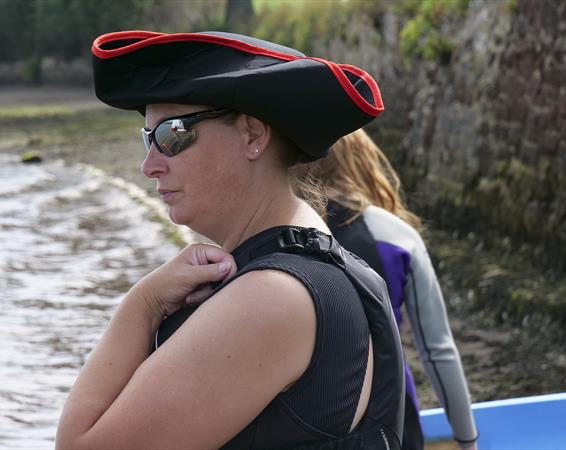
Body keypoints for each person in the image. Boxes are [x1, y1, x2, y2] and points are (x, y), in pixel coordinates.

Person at [55, 31, 405, 449]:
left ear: (253, 136)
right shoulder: (324, 270)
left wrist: (142, 304)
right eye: (148, 139)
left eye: (171, 135)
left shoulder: (272, 296)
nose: (149, 165)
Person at [301, 129, 479, 449]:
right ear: (363, 161)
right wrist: (467, 440)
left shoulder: (278, 230)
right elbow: (438, 350)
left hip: (305, 421)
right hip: (393, 420)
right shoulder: (395, 233)